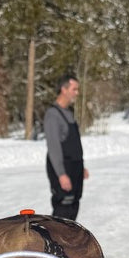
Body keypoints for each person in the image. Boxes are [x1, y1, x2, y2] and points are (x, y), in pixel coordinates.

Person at [44, 74, 88, 220]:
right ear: (64, 89)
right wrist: (61, 174)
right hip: (63, 170)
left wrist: (81, 168)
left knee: (73, 208)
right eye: (74, 89)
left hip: (75, 169)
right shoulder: (53, 115)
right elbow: (53, 147)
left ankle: (67, 243)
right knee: (62, 212)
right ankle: (53, 242)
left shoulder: (68, 113)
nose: (77, 93)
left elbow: (74, 145)